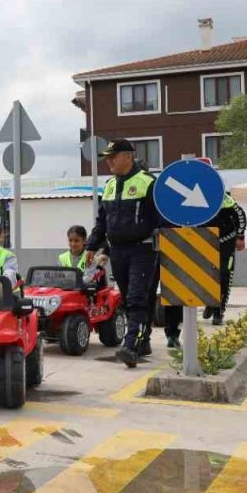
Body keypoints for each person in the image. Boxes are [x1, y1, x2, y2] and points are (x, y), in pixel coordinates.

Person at [85, 139, 163, 367]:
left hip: (143, 249)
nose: (108, 161)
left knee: (137, 297)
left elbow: (161, 218)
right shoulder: (109, 185)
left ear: (127, 156)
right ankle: (143, 340)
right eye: (107, 157)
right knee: (129, 297)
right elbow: (103, 221)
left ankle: (130, 346)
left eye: (113, 157)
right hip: (118, 251)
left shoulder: (148, 183)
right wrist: (92, 245)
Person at [202, 190, 246, 326]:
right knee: (206, 277)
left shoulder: (225, 199)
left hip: (226, 243)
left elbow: (240, 216)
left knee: (224, 277)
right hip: (205, 242)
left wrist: (240, 237)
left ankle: (218, 312)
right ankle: (210, 303)